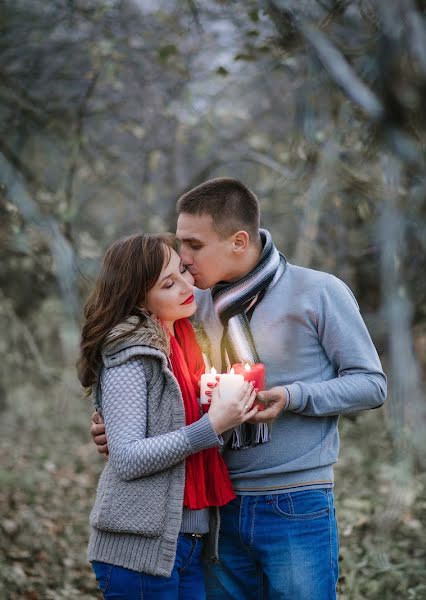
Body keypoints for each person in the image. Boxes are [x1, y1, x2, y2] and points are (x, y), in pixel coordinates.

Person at [91, 178, 387, 599]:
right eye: (180, 244)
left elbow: (371, 385)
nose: (183, 258)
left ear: (238, 240)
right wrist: (118, 427)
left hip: (294, 501)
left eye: (194, 245)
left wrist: (291, 398)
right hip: (216, 510)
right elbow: (163, 385)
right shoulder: (194, 304)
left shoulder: (318, 292)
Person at [79, 232, 260, 599]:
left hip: (190, 541)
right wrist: (212, 426)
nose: (185, 286)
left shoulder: (183, 341)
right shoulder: (132, 355)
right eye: (168, 283)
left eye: (182, 272)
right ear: (139, 299)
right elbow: (128, 458)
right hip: (141, 552)